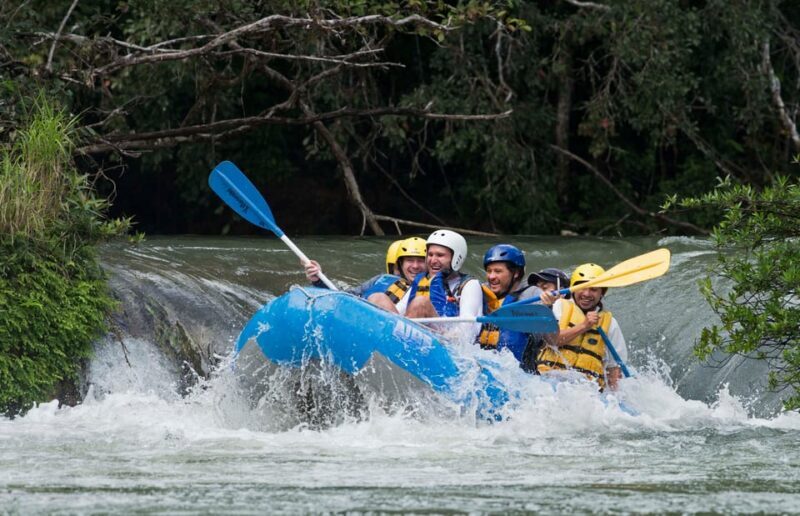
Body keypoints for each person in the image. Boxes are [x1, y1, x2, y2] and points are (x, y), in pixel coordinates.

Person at [535, 263, 628, 391]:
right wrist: (584, 326)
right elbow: (552, 340)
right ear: (573, 289)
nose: (586, 294)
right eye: (582, 288)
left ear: (602, 293)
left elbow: (614, 371)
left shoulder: (611, 323)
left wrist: (614, 400)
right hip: (550, 381)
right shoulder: (559, 306)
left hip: (587, 392)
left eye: (593, 289)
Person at [477, 245, 557, 362]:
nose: (491, 276)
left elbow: (553, 340)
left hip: (519, 373)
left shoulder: (532, 294)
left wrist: (547, 309)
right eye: (489, 271)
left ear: (516, 273)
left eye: (498, 271)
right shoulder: (481, 293)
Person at [304, 237, 427, 310]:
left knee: (379, 299)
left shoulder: (433, 287)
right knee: (378, 298)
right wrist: (319, 279)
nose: (415, 266)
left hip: (402, 332)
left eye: (421, 261)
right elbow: (346, 296)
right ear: (400, 264)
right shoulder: (381, 279)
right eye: (410, 261)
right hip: (367, 321)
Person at [402, 230, 483, 339]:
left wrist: (445, 336)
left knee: (420, 303)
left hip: (449, 344)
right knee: (379, 299)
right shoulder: (423, 280)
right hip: (422, 338)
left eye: (440, 255)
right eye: (430, 255)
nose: (433, 260)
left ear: (456, 258)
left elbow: (467, 331)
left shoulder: (469, 285)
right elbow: (397, 313)